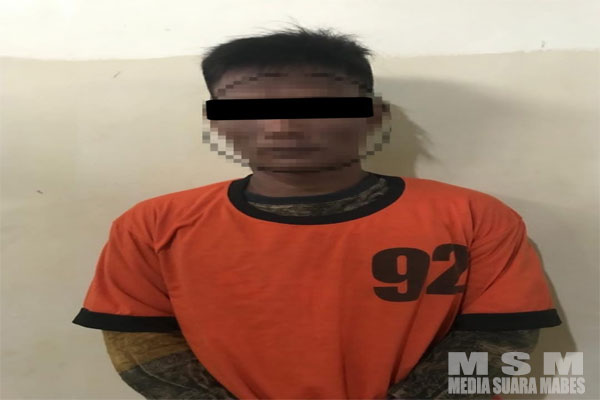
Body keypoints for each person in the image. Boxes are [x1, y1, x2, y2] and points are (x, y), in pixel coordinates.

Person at [73, 25, 561, 399]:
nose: (282, 128)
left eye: (317, 107)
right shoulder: (152, 225)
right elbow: (139, 344)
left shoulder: (473, 216)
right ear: (216, 123)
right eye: (248, 110)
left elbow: (502, 340)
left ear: (373, 116)